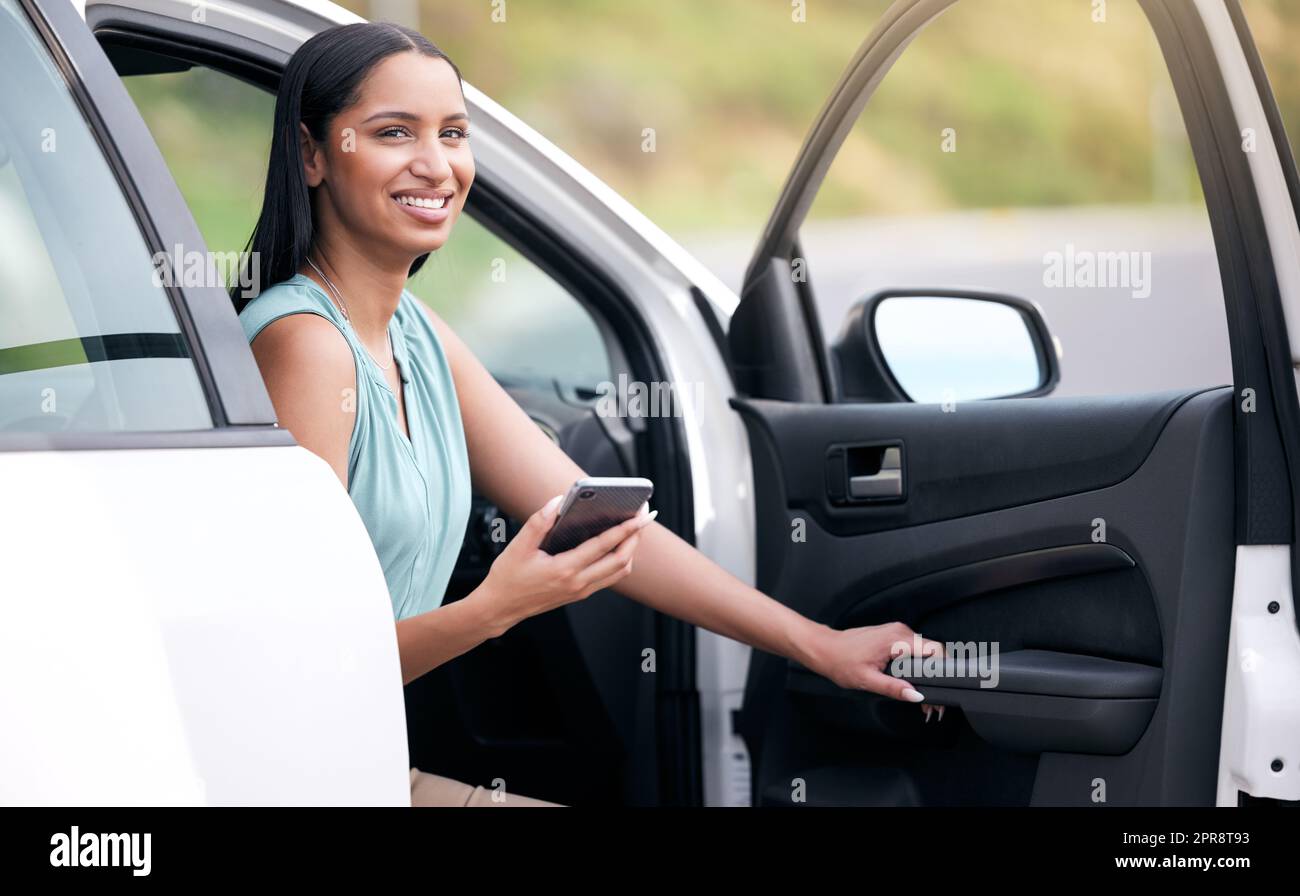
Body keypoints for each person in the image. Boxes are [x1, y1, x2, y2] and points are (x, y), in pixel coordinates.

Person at [233, 21, 944, 807]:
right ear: (311, 154)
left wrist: (818, 645)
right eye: (393, 133)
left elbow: (611, 533)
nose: (436, 165)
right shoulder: (306, 348)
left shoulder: (416, 334)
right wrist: (497, 609)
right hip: (282, 778)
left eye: (454, 133)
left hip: (363, 769)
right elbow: (302, 668)